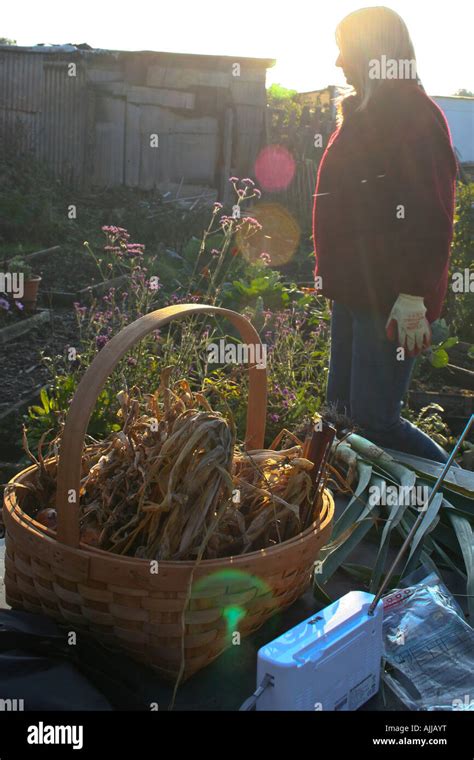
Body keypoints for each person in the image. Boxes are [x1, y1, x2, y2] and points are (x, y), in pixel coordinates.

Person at [312, 6, 458, 463]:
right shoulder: (364, 113)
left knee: (376, 419)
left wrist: (414, 294)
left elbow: (431, 215)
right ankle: (351, 513)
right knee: (339, 415)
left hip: (392, 299)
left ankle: (452, 495)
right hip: (356, 292)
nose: (338, 62)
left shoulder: (414, 115)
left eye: (344, 49)